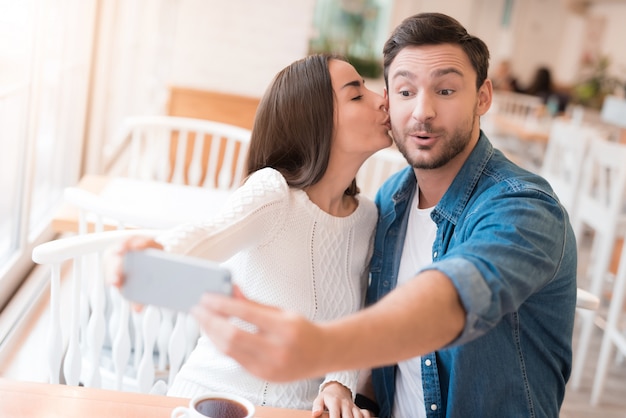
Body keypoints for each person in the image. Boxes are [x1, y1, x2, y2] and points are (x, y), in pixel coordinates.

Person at [187, 12, 578, 418]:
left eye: (445, 91)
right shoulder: (391, 201)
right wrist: (354, 397)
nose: (422, 111)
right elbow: (386, 347)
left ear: (483, 97)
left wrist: (322, 347)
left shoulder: (524, 207)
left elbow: (452, 299)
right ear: (389, 102)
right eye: (406, 92)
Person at [111, 53, 392, 418]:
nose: (382, 98)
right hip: (211, 401)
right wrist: (152, 253)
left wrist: (338, 383)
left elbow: (350, 318)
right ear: (316, 122)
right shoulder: (274, 193)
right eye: (356, 95)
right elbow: (206, 235)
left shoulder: (368, 218)